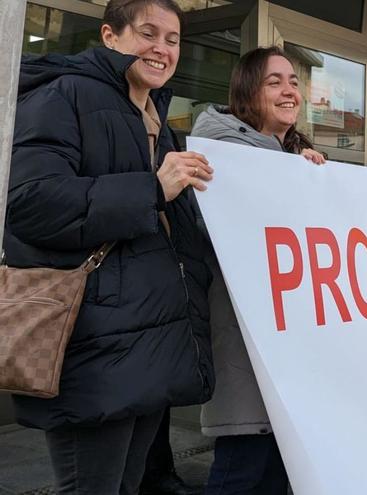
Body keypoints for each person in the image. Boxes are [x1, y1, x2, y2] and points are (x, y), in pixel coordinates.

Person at [4, 0, 215, 493]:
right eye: (148, 33)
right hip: (94, 346)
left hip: (145, 343)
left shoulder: (156, 115)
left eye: (173, 39)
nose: (162, 49)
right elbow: (29, 202)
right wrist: (151, 189)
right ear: (110, 36)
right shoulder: (65, 93)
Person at [189, 45, 324, 495]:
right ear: (249, 91)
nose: (289, 91)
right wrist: (286, 177)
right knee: (242, 467)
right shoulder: (220, 150)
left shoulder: (295, 154)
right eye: (275, 82)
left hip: (288, 339)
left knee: (278, 473)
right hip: (247, 339)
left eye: (293, 82)